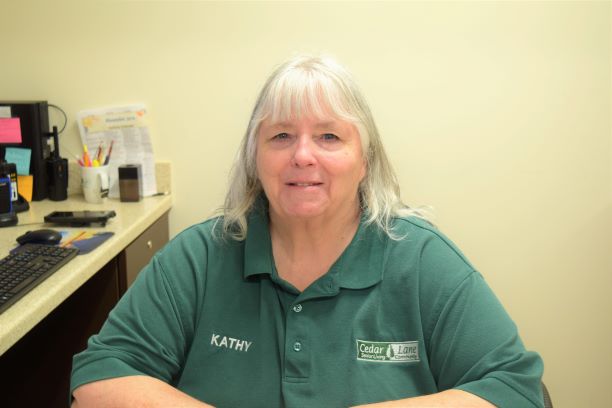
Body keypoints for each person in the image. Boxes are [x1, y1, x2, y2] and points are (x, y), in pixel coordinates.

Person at [70, 55, 544, 408]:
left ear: (366, 161)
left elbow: (515, 387)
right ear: (255, 159)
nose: (302, 156)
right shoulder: (199, 256)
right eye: (280, 136)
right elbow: (99, 376)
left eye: (329, 136)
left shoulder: (421, 259)